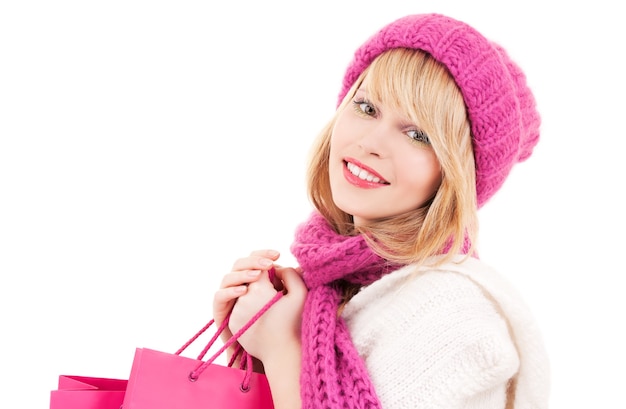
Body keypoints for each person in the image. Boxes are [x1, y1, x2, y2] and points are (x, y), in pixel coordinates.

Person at [212, 13, 550, 409]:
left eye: (418, 134)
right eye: (368, 108)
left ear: (455, 174)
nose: (371, 142)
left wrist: (283, 349)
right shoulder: (332, 285)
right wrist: (247, 342)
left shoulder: (457, 317)